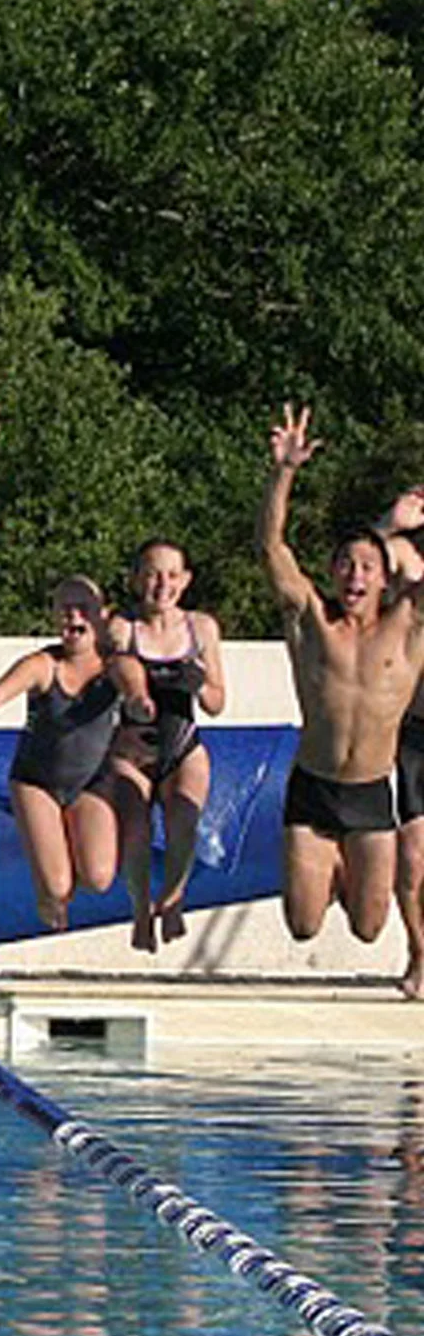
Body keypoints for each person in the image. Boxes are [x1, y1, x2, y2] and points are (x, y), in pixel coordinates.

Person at [259, 407, 424, 973]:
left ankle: (342, 865)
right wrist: (283, 471)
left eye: (366, 566)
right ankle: (321, 860)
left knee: (369, 926)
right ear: (332, 573)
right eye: (345, 565)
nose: (355, 576)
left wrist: (395, 526)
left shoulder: (407, 626)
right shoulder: (311, 620)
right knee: (303, 926)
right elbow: (273, 548)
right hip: (314, 789)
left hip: (372, 792)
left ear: (386, 576)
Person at [0, 577, 129, 934]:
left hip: (90, 784)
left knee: (99, 878)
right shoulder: (42, 664)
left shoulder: (116, 667)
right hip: (37, 781)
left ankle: (65, 855)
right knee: (57, 888)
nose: (72, 614)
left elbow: (147, 690)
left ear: (103, 616)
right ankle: (49, 900)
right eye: (64, 608)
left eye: (83, 607)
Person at [102, 540, 229, 950]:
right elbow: (104, 681)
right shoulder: (123, 628)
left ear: (186, 580)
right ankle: (141, 911)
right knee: (135, 832)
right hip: (132, 752)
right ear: (137, 579)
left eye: (173, 575)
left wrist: (200, 682)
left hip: (184, 746)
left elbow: (216, 702)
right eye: (153, 574)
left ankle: (173, 898)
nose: (163, 583)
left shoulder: (201, 628)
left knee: (182, 827)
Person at [373, 484, 424, 999]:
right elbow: (359, 568)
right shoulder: (410, 560)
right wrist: (389, 524)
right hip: (414, 731)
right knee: (413, 857)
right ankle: (420, 951)